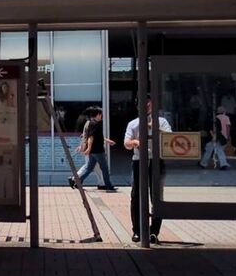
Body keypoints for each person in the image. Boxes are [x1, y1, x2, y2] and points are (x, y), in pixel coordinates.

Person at [124, 98, 171, 244]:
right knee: (136, 195)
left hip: (157, 161)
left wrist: (154, 127)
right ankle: (137, 231)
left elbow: (169, 138)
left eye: (149, 103)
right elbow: (126, 143)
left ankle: (154, 232)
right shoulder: (133, 123)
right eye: (143, 103)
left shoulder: (162, 121)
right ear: (138, 106)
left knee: (156, 196)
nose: (146, 106)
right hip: (139, 161)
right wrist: (135, 142)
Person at [69, 106, 117, 191]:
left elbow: (94, 137)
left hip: (93, 151)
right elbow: (91, 137)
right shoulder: (96, 124)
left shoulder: (90, 123)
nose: (101, 116)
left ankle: (78, 182)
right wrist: (88, 148)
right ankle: (108, 186)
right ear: (97, 115)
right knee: (104, 168)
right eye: (101, 115)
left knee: (89, 168)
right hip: (98, 150)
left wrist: (89, 148)